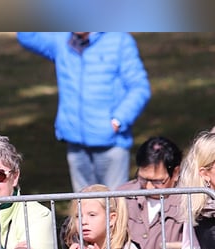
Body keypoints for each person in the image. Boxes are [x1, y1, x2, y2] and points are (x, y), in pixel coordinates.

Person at [17, 32, 151, 192]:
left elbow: (139, 88)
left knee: (114, 207)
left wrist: (118, 121)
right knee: (84, 209)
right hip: (75, 143)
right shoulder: (63, 40)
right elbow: (27, 36)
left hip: (111, 144)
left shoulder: (119, 41)